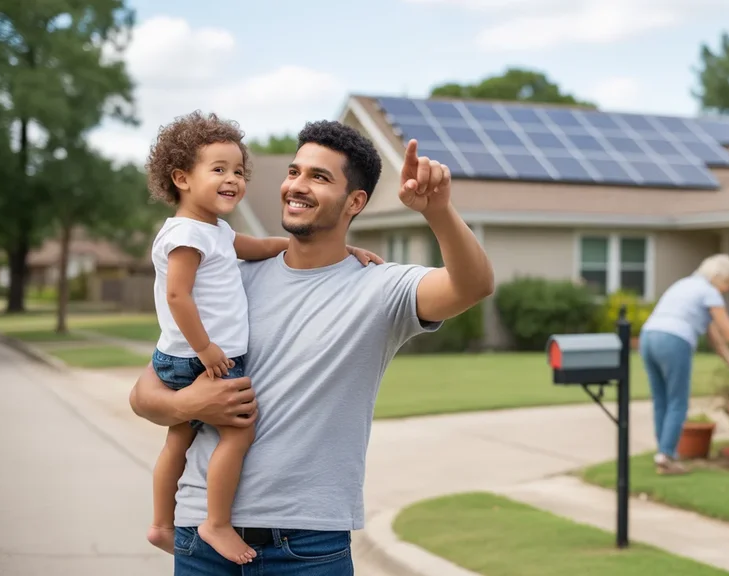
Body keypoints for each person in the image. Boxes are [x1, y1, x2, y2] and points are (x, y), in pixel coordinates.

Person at [129, 120, 494, 575]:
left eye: (318, 177)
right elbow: (144, 393)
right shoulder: (229, 277)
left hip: (306, 546)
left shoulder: (380, 289)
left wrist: (438, 211)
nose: (296, 186)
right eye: (294, 171)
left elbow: (474, 285)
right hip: (200, 538)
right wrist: (188, 401)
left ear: (355, 202)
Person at [143, 112, 382, 565]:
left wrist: (343, 251)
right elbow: (176, 294)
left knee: (178, 440)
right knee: (239, 431)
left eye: (238, 171)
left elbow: (261, 246)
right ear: (181, 178)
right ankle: (215, 521)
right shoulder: (186, 235)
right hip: (200, 357)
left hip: (182, 357)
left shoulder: (215, 232)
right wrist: (206, 351)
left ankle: (160, 523)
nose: (232, 179)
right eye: (218, 170)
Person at [639, 254, 729, 475]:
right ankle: (666, 457)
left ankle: (663, 452)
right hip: (674, 341)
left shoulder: (684, 285)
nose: (727, 290)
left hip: (648, 337)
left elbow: (714, 335)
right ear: (718, 276)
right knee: (678, 402)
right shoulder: (709, 291)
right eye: (728, 284)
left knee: (661, 399)